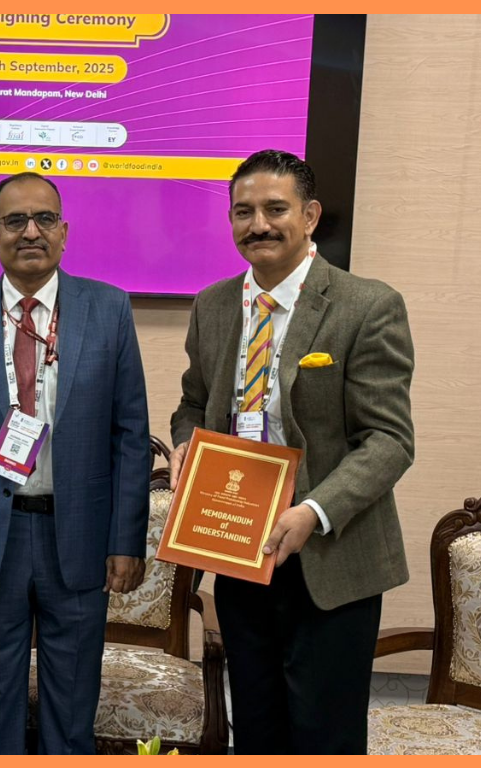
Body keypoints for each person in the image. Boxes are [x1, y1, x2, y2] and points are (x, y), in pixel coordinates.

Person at [169, 149, 415, 754]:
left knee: (323, 739)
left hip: (331, 558)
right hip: (239, 551)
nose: (259, 225)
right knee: (256, 731)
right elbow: (193, 405)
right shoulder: (213, 305)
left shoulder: (366, 305)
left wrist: (313, 512)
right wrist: (183, 445)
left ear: (310, 216)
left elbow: (389, 440)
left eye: (275, 209)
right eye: (243, 212)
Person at [0, 172, 150, 754]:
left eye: (45, 219)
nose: (31, 232)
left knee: (71, 703)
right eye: (15, 221)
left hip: (78, 536)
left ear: (64, 232)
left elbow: (130, 435)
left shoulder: (108, 308)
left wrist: (126, 539)